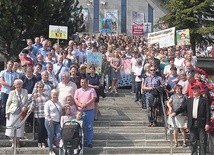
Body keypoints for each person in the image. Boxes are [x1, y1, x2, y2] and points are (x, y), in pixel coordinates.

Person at [170, 85, 210, 155]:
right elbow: (182, 107)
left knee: (202, 141)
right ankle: (194, 153)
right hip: (192, 122)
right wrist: (175, 113)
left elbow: (208, 112)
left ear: (200, 91)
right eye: (193, 90)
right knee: (192, 140)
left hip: (202, 122)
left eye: (196, 89)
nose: (194, 91)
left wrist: (207, 123)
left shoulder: (204, 100)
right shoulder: (189, 100)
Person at [5, 79, 28, 148]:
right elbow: (8, 103)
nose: (18, 86)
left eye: (19, 84)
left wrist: (25, 106)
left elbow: (26, 101)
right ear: (14, 85)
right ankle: (13, 142)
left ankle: (17, 142)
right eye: (17, 85)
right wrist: (7, 112)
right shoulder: (11, 92)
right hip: (12, 112)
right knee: (11, 128)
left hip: (21, 113)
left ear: (22, 85)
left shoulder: (25, 91)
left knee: (19, 129)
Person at [74, 78, 97, 148]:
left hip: (89, 111)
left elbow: (93, 98)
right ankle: (80, 141)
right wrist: (80, 104)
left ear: (87, 82)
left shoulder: (91, 90)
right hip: (80, 112)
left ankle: (89, 142)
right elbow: (75, 99)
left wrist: (86, 104)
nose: (83, 84)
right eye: (81, 82)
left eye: (84, 82)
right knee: (80, 127)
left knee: (89, 127)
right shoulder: (77, 91)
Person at [28, 82, 49, 148]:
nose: (40, 88)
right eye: (39, 87)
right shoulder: (35, 95)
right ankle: (39, 142)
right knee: (40, 128)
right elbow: (33, 104)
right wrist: (30, 109)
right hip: (38, 114)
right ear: (37, 88)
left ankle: (43, 142)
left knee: (45, 128)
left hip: (45, 114)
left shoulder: (46, 96)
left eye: (41, 87)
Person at [0, 60, 18, 126]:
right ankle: (2, 122)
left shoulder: (15, 73)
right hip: (5, 92)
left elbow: (16, 82)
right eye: (9, 64)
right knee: (3, 107)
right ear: (7, 64)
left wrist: (14, 86)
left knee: (11, 107)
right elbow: (1, 82)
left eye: (12, 65)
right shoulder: (3, 72)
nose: (10, 66)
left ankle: (9, 121)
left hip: (12, 93)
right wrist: (10, 86)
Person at [44, 89, 62, 155]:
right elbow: (46, 112)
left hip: (57, 121)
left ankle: (53, 142)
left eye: (56, 94)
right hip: (50, 121)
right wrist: (49, 119)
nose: (55, 96)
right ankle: (51, 150)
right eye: (54, 94)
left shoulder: (59, 103)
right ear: (51, 95)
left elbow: (60, 112)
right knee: (50, 135)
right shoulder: (48, 103)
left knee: (59, 134)